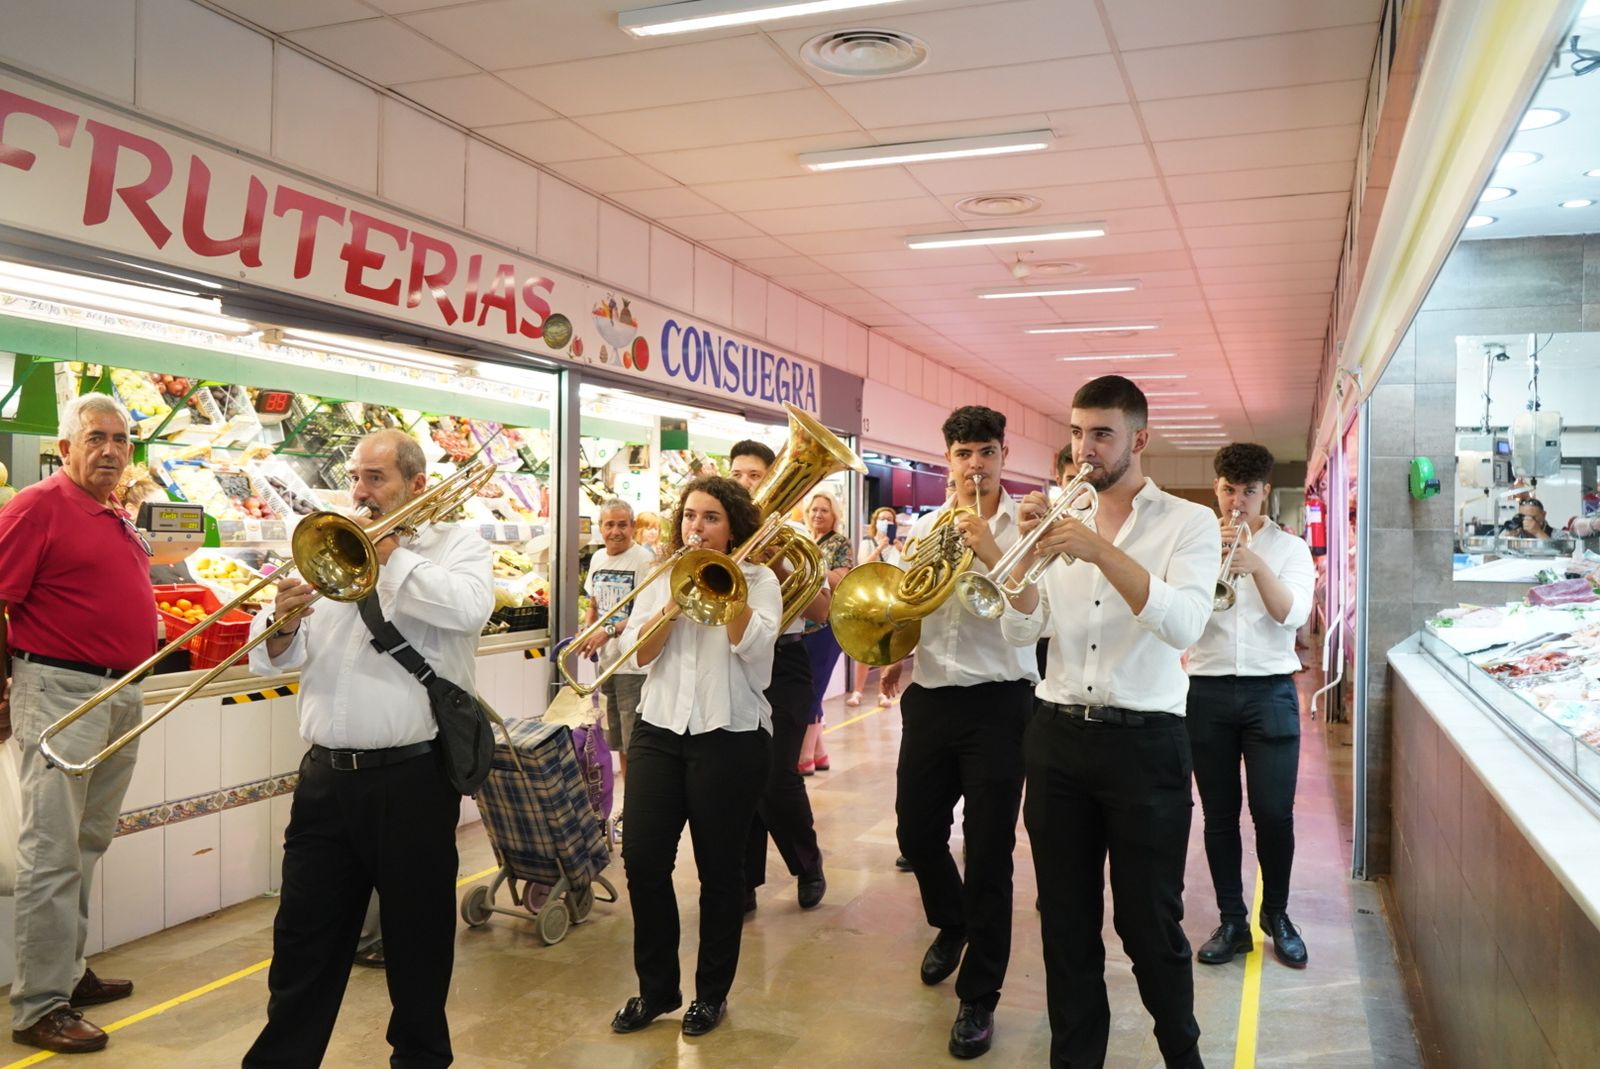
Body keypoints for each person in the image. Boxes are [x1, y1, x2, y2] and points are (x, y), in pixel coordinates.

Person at [241, 428, 493, 1069]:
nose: (360, 490)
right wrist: (282, 624)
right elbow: (275, 663)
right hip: (325, 779)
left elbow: (469, 611)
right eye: (356, 476)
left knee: (417, 939)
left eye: (376, 478)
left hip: (411, 780)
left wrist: (391, 555)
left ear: (417, 486)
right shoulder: (330, 543)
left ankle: (420, 1058)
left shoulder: (456, 547)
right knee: (303, 938)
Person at [1002, 375, 1218, 1069]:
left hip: (1146, 743)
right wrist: (1021, 563)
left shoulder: (1189, 522)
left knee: (1149, 923)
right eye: (1076, 432)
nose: (1084, 448)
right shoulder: (1057, 520)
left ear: (1139, 439)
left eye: (1101, 433)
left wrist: (1098, 549)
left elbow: (1185, 623)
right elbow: (1022, 630)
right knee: (1064, 924)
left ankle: (1182, 1055)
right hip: (1058, 734)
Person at [0, 394, 148, 1055]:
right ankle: (39, 1004)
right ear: (65, 448)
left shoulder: (112, 510)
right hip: (62, 693)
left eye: (120, 439)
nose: (111, 450)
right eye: (96, 438)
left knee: (86, 844)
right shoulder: (37, 506)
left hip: (116, 693)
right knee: (52, 852)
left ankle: (66, 971)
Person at [609, 476, 780, 1038]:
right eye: (689, 516)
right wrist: (673, 604)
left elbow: (755, 651)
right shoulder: (662, 575)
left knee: (720, 872)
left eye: (710, 518)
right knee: (643, 861)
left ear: (732, 528)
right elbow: (638, 655)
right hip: (659, 728)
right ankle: (656, 989)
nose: (696, 527)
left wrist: (726, 589)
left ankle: (711, 995)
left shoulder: (760, 580)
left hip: (730, 735)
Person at [894, 406, 1038, 1060]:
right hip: (930, 695)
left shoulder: (1026, 527)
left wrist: (994, 551)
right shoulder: (926, 527)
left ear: (1004, 455)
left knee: (988, 852)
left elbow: (1034, 617)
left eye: (986, 452)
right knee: (916, 832)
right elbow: (912, 602)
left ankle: (979, 995)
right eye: (963, 454)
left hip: (1000, 703)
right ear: (946, 460)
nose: (974, 465)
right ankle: (952, 922)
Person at [1187, 444, 1316, 969]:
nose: (1236, 501)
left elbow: (1292, 615)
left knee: (1273, 813)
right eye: (1228, 490)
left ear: (1265, 492)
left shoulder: (1291, 549)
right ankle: (1232, 921)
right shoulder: (1194, 544)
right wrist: (1208, 564)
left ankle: (1276, 915)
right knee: (1219, 815)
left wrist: (1255, 564)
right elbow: (1182, 621)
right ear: (1216, 488)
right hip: (1207, 689)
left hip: (1271, 692)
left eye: (1248, 491)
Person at [728, 441, 827, 913]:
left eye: (754, 475)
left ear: (772, 478)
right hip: (734, 662)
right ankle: (743, 881)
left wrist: (777, 562)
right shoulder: (719, 532)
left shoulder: (794, 535)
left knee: (775, 775)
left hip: (784, 661)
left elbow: (822, 611)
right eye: (737, 474)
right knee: (739, 773)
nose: (745, 483)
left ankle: (808, 865)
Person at [578, 499, 657, 774]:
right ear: (600, 527)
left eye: (622, 525)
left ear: (633, 526)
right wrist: (587, 629)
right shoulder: (598, 558)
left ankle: (636, 796)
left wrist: (608, 631)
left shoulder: (645, 561)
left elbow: (648, 615)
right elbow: (593, 604)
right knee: (619, 743)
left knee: (635, 742)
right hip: (607, 663)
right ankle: (627, 795)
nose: (615, 531)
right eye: (609, 525)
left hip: (633, 666)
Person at [798, 490, 851, 774]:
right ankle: (819, 754)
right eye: (814, 510)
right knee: (811, 689)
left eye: (824, 510)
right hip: (803, 626)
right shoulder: (805, 538)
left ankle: (804, 756)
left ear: (834, 516)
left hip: (827, 626)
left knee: (811, 691)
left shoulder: (840, 543)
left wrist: (813, 563)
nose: (818, 515)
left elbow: (842, 579)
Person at [848, 506, 903, 707]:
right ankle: (857, 691)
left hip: (890, 601)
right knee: (865, 646)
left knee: (885, 647)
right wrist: (879, 547)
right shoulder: (867, 543)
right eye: (882, 519)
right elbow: (862, 566)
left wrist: (901, 550)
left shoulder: (898, 546)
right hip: (869, 600)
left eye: (889, 519)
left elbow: (905, 570)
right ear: (875, 521)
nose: (886, 522)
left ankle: (882, 692)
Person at [1036, 443, 1077, 679]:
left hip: (1075, 644)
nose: (1079, 487)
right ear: (1059, 481)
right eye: (1071, 479)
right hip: (1045, 642)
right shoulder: (1043, 526)